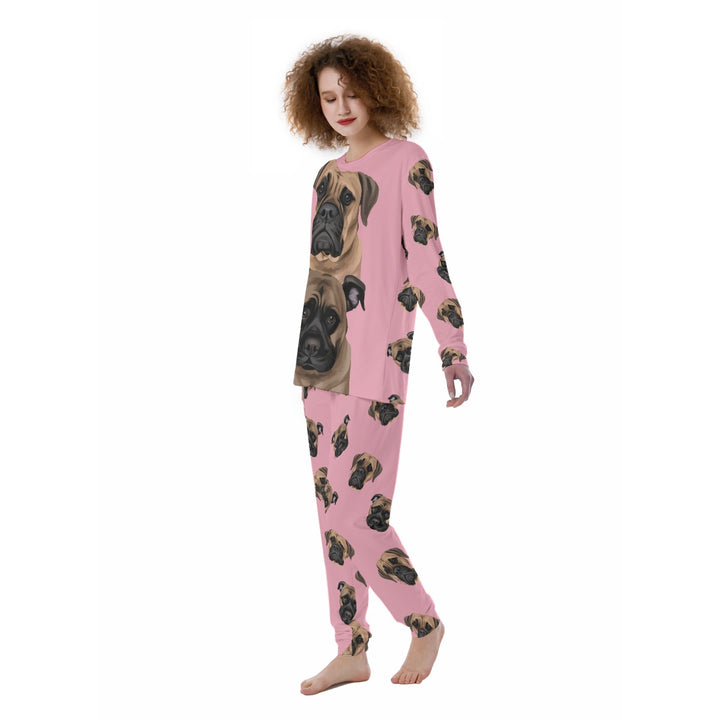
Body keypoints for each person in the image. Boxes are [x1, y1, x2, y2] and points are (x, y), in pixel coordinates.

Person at [283, 34, 474, 695]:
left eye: (351, 93)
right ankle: (351, 648)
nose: (341, 107)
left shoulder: (407, 162)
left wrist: (452, 344)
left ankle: (423, 620)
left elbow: (426, 258)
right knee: (329, 514)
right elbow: (325, 271)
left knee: (358, 512)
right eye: (327, 98)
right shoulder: (325, 178)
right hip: (320, 360)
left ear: (376, 90)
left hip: (377, 361)